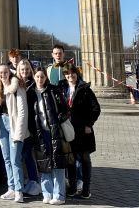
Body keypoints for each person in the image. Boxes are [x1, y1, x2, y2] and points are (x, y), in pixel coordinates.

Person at [28, 67, 73, 205]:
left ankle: (59, 195)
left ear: (46, 78)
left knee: (58, 164)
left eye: (42, 77)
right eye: (37, 77)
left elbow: (66, 109)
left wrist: (58, 119)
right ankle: (47, 193)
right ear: (34, 77)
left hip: (55, 132)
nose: (40, 79)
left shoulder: (53, 90)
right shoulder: (30, 93)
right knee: (43, 164)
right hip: (39, 133)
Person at [62, 65, 101, 200]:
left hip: (83, 130)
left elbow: (96, 109)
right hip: (67, 130)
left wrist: (89, 124)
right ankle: (72, 187)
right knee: (71, 161)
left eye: (73, 73)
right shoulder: (62, 89)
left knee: (85, 160)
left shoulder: (85, 89)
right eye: (67, 74)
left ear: (77, 74)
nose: (70, 76)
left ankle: (86, 189)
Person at [0, 64, 28, 203]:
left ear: (10, 73)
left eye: (5, 72)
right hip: (2, 125)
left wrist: (19, 133)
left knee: (15, 160)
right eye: (0, 72)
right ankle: (11, 187)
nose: (3, 75)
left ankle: (19, 190)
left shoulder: (17, 86)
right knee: (7, 159)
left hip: (14, 125)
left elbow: (22, 112)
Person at [16, 59, 41, 197]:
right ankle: (25, 180)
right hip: (18, 125)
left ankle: (34, 181)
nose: (24, 72)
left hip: (31, 126)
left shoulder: (34, 84)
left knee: (27, 155)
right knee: (20, 156)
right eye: (22, 69)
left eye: (27, 69)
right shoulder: (16, 84)